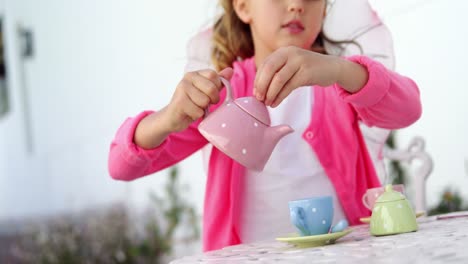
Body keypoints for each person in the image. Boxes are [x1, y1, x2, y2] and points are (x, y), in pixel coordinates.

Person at [108, 0, 422, 251]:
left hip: (348, 253)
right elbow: (121, 166)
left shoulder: (338, 81)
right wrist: (168, 117)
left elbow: (408, 110)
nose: (297, 4)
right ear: (242, 6)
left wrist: (341, 71)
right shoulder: (221, 93)